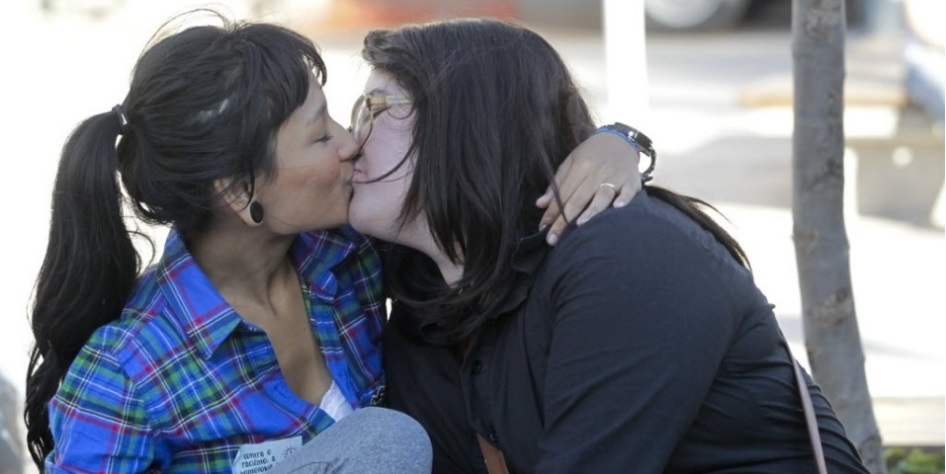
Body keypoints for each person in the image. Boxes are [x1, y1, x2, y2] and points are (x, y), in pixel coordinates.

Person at [25, 11, 643, 474]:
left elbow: (487, 195)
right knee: (385, 441)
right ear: (241, 192)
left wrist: (615, 140)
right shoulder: (129, 371)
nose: (351, 142)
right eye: (320, 136)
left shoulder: (351, 258)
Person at [347, 18, 872, 473]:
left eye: (375, 108)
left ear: (468, 122)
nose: (351, 141)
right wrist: (624, 136)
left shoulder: (625, 256)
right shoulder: (420, 289)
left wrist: (624, 139)